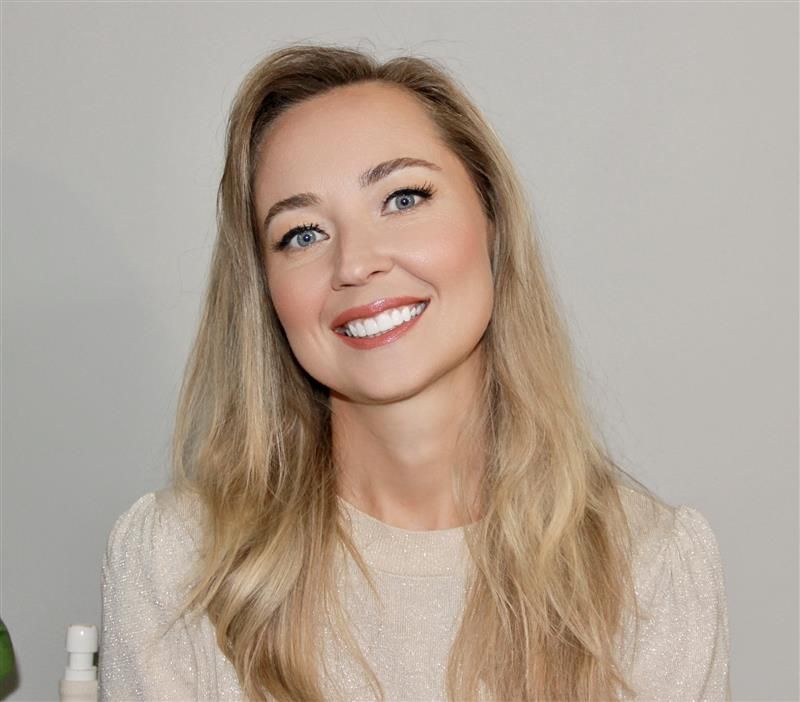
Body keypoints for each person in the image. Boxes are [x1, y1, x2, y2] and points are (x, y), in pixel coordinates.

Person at [98, 43, 731, 701]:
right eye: (303, 233)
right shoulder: (178, 564)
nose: (355, 263)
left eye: (402, 198)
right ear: (266, 293)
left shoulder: (652, 568)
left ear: (492, 220)